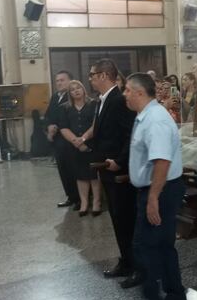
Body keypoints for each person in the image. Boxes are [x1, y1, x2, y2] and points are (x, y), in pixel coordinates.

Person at [123, 73, 187, 300]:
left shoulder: (155, 120)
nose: (124, 94)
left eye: (128, 90)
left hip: (161, 190)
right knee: (162, 245)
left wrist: (152, 199)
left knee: (144, 246)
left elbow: (162, 160)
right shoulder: (147, 116)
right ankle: (175, 294)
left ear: (140, 93)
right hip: (160, 188)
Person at [87, 59, 140, 288]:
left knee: (126, 219)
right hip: (106, 169)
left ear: (105, 75)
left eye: (92, 74)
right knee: (118, 220)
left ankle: (138, 266)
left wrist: (119, 161)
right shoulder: (103, 101)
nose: (90, 79)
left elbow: (130, 134)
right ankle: (126, 261)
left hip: (119, 171)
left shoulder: (118, 100)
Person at [58, 80, 101, 217]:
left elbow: (96, 124)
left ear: (83, 89)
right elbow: (63, 127)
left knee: (94, 174)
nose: (76, 91)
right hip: (74, 146)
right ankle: (83, 203)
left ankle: (96, 202)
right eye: (72, 89)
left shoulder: (94, 104)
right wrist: (76, 142)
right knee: (80, 175)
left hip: (92, 144)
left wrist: (83, 139)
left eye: (78, 88)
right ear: (69, 93)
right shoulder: (65, 108)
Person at [46, 71, 79, 210]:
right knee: (63, 169)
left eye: (62, 80)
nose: (59, 83)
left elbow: (71, 117)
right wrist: (49, 127)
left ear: (70, 81)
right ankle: (70, 196)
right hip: (57, 140)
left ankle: (79, 198)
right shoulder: (55, 97)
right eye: (57, 80)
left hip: (69, 138)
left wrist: (58, 126)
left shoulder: (72, 96)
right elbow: (48, 115)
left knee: (73, 169)